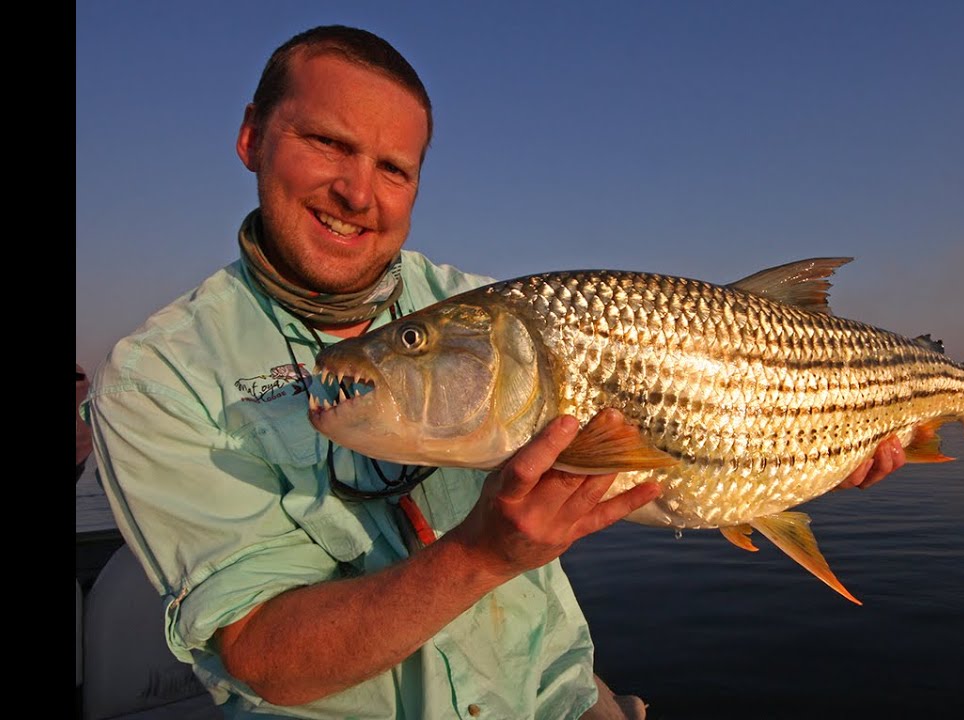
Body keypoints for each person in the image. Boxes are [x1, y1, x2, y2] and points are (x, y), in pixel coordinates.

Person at [82, 25, 904, 720]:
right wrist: (480, 555)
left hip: (564, 698)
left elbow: (692, 449)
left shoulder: (480, 306)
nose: (357, 192)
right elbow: (260, 654)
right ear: (252, 137)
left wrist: (818, 440)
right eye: (327, 142)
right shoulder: (158, 377)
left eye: (394, 168)